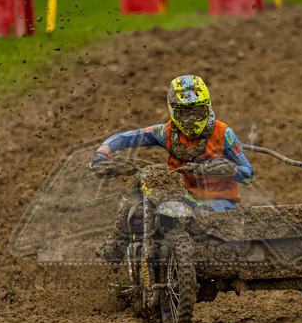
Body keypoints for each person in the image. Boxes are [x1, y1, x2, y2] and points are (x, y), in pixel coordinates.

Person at [89, 75, 254, 260]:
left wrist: (231, 170)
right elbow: (129, 137)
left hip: (219, 201)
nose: (191, 120)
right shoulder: (166, 133)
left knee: (199, 219)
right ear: (174, 112)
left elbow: (248, 175)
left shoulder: (224, 134)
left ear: (208, 108)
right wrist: (103, 152)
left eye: (197, 112)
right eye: (185, 113)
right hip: (180, 195)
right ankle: (117, 243)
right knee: (138, 203)